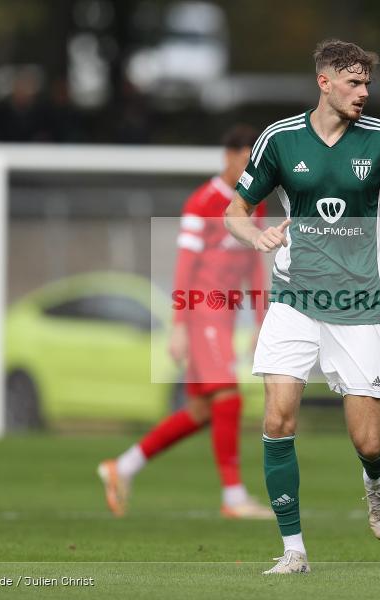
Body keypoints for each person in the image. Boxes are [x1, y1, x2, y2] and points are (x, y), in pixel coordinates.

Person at [223, 39, 380, 575]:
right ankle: (294, 550)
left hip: (360, 300)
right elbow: (235, 211)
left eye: (368, 84)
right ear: (325, 83)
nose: (364, 93)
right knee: (277, 418)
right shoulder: (279, 139)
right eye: (354, 83)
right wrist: (255, 237)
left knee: (366, 440)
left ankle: (376, 480)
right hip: (295, 295)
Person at [98, 125, 273, 520]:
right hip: (200, 310)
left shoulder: (255, 203)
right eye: (246, 159)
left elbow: (252, 265)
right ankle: (234, 498)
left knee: (201, 411)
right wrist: (179, 324)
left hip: (225, 316)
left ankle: (121, 468)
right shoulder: (202, 203)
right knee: (229, 396)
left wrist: (261, 320)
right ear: (228, 158)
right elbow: (185, 266)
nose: (251, 167)